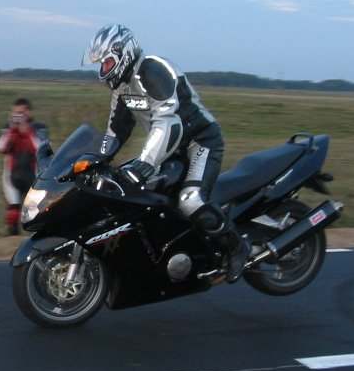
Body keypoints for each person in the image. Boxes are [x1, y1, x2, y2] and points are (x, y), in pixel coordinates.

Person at [85, 24, 249, 282]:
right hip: (170, 149)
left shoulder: (153, 70)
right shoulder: (122, 87)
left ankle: (237, 247)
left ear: (123, 53)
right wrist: (96, 158)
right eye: (101, 64)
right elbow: (116, 130)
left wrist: (145, 163)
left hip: (199, 141)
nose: (103, 70)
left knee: (190, 200)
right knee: (143, 195)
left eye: (106, 62)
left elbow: (167, 122)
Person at [0, 98, 49, 235]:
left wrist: (27, 131)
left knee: (35, 210)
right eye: (15, 113)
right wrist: (12, 131)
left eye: (22, 113)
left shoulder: (39, 128)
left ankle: (38, 236)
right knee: (13, 211)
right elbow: (0, 148)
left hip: (34, 175)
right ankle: (12, 235)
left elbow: (41, 149)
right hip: (12, 175)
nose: (18, 116)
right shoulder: (8, 128)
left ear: (29, 112)